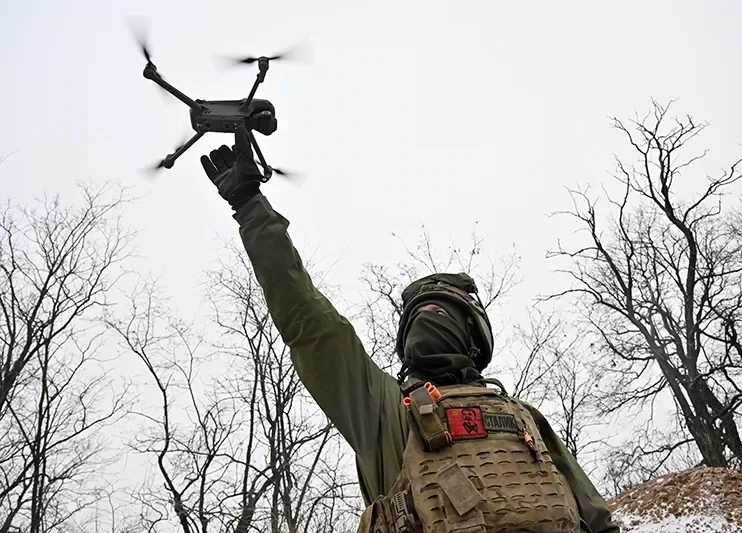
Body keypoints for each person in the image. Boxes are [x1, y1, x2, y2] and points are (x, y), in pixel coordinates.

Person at [200, 119, 620, 533]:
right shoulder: (383, 410)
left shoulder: (521, 417)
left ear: (473, 336)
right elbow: (310, 323)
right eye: (423, 312)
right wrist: (251, 207)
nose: (431, 317)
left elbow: (597, 521)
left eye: (444, 311)